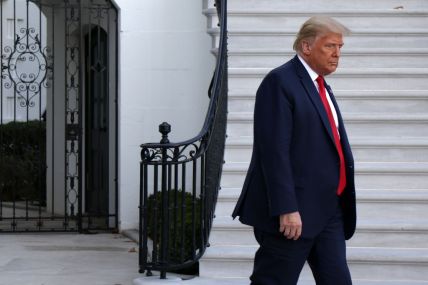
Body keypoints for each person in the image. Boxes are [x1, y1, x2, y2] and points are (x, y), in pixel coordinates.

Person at [232, 16, 357, 285]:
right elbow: (274, 153)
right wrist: (286, 208)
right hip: (293, 215)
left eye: (340, 47)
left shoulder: (321, 85)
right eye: (330, 46)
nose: (337, 54)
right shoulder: (280, 82)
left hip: (329, 211)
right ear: (306, 46)